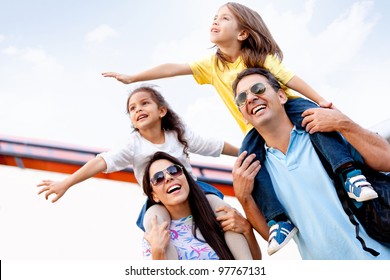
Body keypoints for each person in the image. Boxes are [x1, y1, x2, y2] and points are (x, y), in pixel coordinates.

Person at [101, 2, 377, 255]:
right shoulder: (212, 66)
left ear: (243, 33)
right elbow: (175, 68)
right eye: (214, 17)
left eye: (224, 18)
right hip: (256, 127)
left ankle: (349, 173)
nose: (215, 21)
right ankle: (278, 220)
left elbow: (291, 79)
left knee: (317, 123)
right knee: (250, 164)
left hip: (287, 108)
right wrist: (134, 76)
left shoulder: (260, 58)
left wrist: (320, 101)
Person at [36, 84, 255, 260]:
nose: (138, 109)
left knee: (226, 213)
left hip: (196, 190)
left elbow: (213, 145)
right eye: (132, 108)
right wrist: (67, 183)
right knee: (157, 230)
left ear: (162, 110)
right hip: (158, 201)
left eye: (144, 103)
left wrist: (245, 151)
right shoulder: (133, 144)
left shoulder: (177, 134)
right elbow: (101, 162)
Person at [231, 67, 390, 259]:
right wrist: (243, 197)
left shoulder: (326, 131)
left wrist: (344, 123)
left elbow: (386, 160)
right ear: (243, 116)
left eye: (258, 89)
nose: (250, 98)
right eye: (241, 98)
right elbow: (269, 235)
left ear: (281, 96)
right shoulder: (255, 172)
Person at [142, 151, 261, 260]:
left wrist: (247, 230)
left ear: (186, 177)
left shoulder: (219, 214)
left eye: (174, 170)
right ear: (154, 196)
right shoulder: (153, 236)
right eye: (158, 178)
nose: (168, 178)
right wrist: (157, 251)